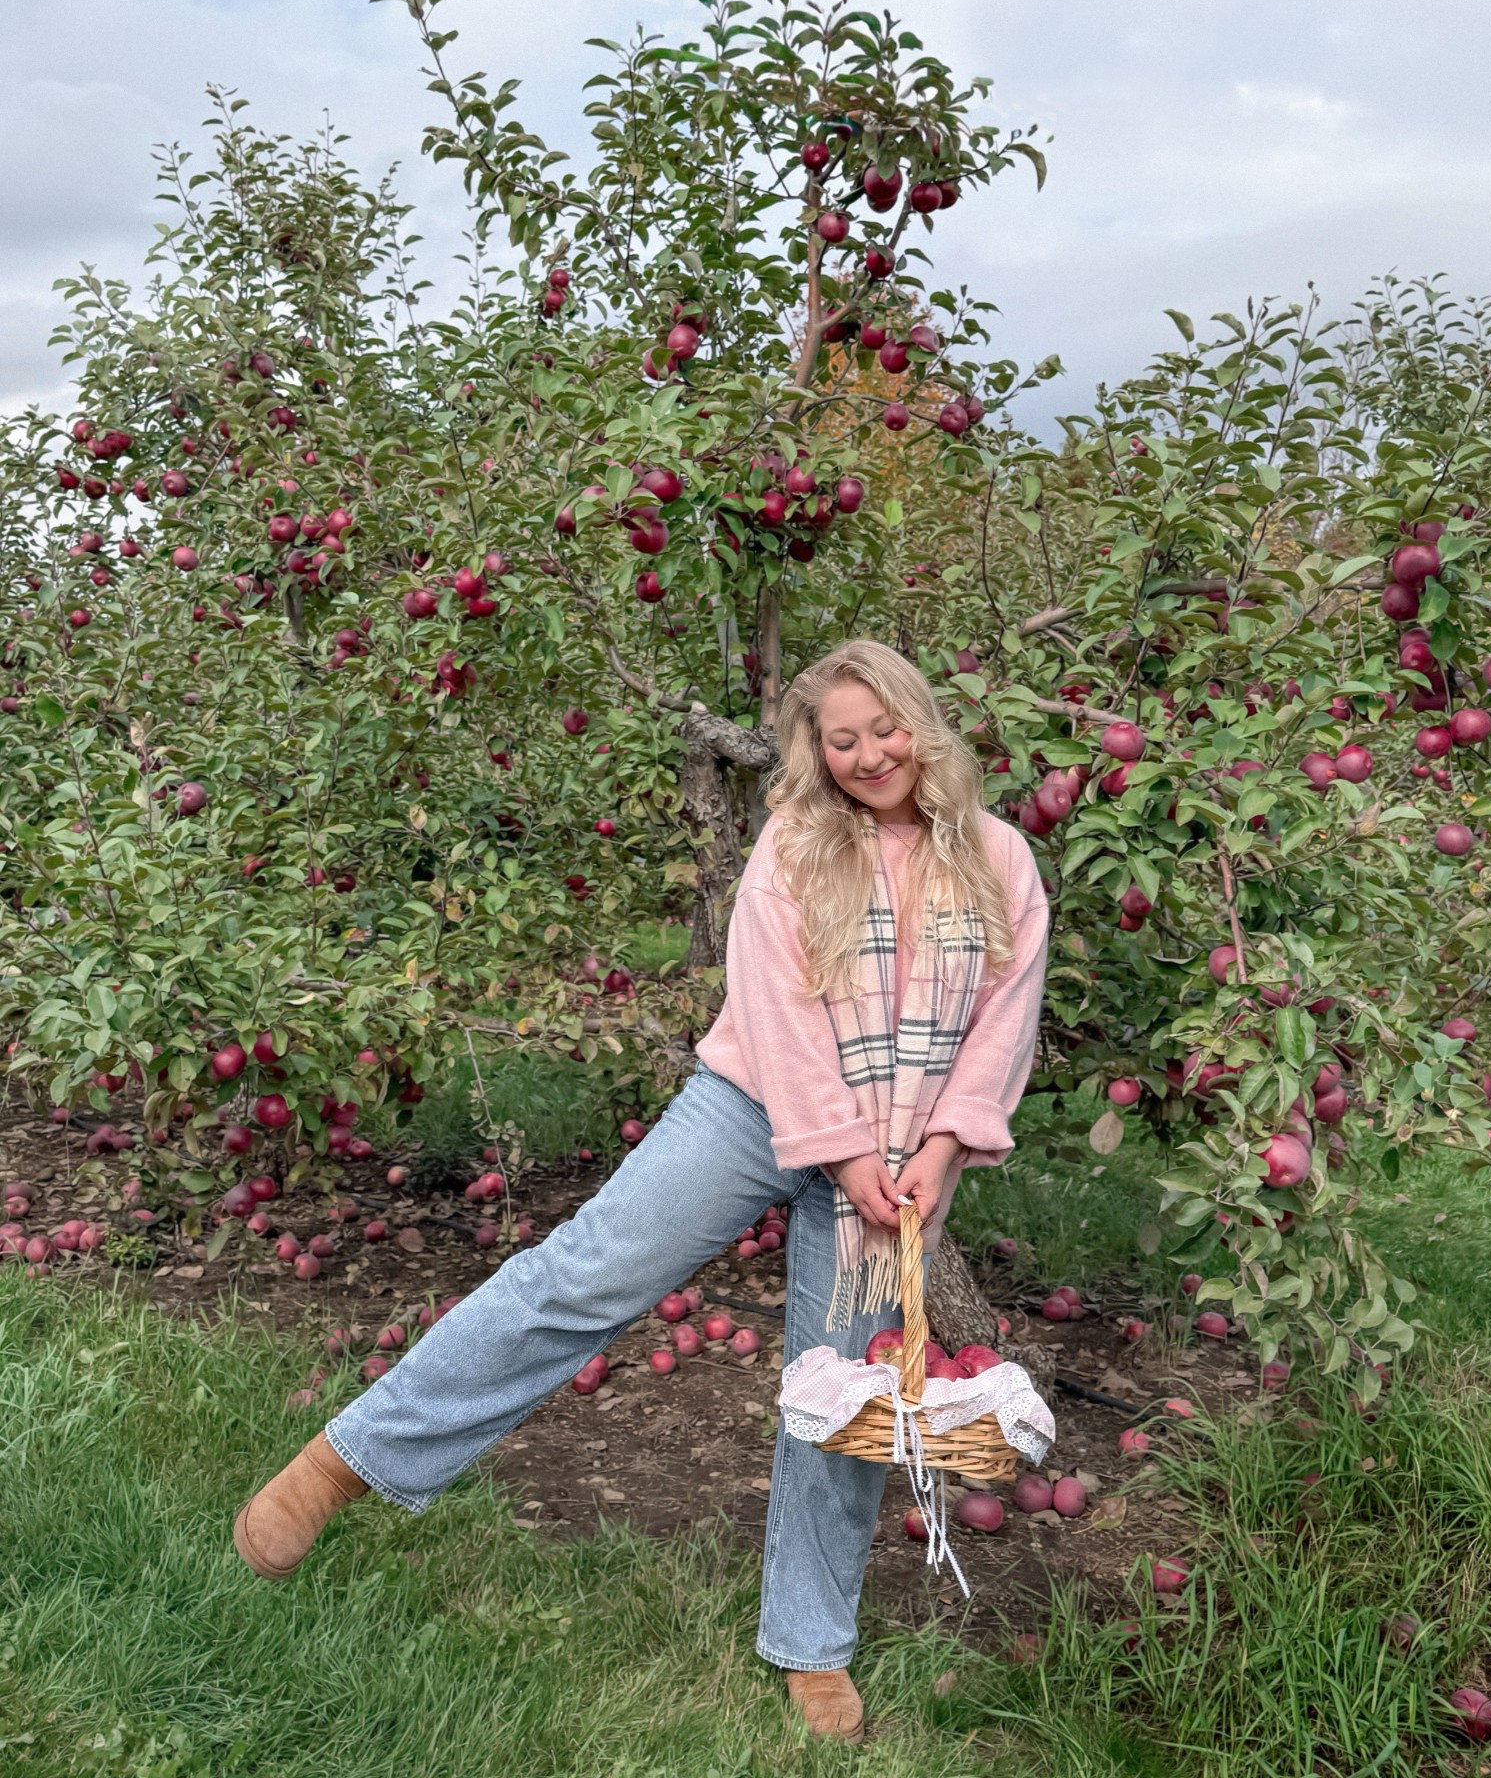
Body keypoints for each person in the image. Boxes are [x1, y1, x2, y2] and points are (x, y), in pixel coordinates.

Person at [233, 637, 1050, 1745]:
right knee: (581, 1274)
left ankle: (812, 1644)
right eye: (841, 737)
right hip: (759, 1107)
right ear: (816, 750)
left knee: (845, 1397)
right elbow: (778, 1006)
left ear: (923, 720)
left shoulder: (998, 858)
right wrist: (843, 1148)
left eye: (883, 727)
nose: (868, 754)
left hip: (908, 1152)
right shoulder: (795, 844)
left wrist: (941, 1151)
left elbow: (1004, 1020)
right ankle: (352, 1455)